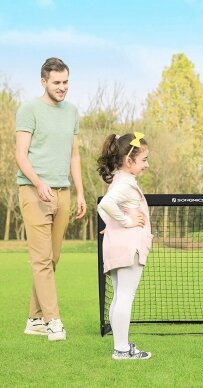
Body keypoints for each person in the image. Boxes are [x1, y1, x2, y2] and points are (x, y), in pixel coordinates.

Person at [15, 57, 86, 341]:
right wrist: (38, 182)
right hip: (34, 191)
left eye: (66, 82)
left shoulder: (71, 112)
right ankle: (53, 321)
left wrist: (80, 191)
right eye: (56, 82)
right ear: (43, 81)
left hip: (63, 192)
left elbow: (74, 155)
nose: (62, 87)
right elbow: (20, 155)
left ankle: (34, 319)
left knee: (52, 258)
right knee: (42, 259)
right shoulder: (28, 109)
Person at [97, 132, 153, 360]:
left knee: (120, 295)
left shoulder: (121, 181)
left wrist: (114, 224)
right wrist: (127, 221)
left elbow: (103, 209)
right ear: (129, 161)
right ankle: (120, 349)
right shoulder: (126, 184)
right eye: (144, 160)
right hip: (129, 249)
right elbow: (106, 204)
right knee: (125, 296)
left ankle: (121, 345)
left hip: (117, 247)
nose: (146, 165)